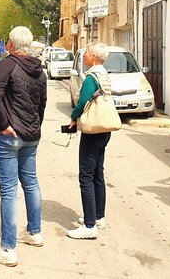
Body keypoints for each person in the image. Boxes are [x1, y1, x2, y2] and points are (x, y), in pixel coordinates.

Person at [0, 26, 47, 267]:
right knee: (30, 182)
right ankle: (34, 232)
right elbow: (42, 103)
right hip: (30, 134)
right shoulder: (39, 70)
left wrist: (3, 125)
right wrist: (34, 126)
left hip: (10, 135)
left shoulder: (7, 64)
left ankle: (8, 248)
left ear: (10, 43)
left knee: (9, 190)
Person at [66, 42, 112, 239]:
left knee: (86, 175)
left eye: (86, 54)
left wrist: (73, 117)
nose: (84, 57)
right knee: (97, 173)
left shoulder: (92, 77)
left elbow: (82, 101)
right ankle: (98, 216)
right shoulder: (105, 74)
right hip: (104, 128)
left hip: (92, 129)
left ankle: (89, 224)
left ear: (93, 56)